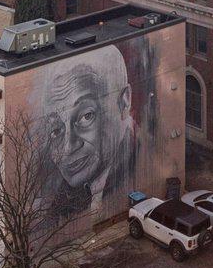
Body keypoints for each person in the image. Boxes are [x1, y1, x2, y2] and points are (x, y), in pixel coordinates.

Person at [32, 45, 136, 218]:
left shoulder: (143, 158)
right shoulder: (58, 204)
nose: (68, 148)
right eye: (56, 129)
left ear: (124, 102)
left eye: (86, 116)